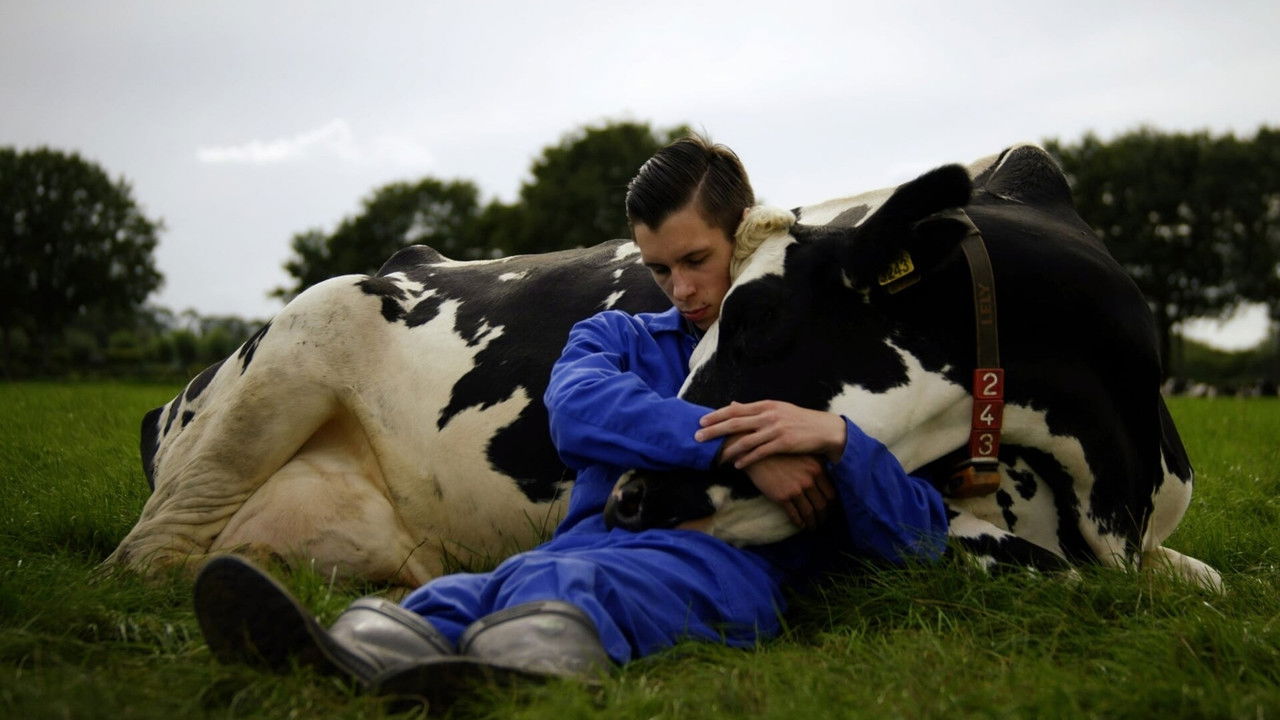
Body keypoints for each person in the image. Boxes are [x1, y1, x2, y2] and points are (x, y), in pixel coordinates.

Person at [192, 135, 949, 703]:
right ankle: (357, 647)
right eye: (659, 269)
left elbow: (918, 536)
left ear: (742, 235)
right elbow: (578, 412)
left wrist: (839, 441)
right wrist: (740, 450)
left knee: (577, 589)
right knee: (484, 589)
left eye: (696, 260)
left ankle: (502, 662)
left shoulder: (804, 353)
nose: (680, 290)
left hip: (726, 564)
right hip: (588, 536)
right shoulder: (618, 336)